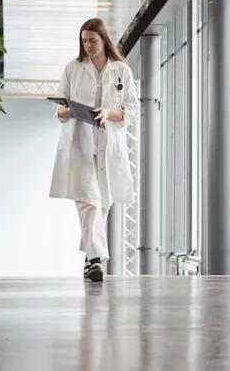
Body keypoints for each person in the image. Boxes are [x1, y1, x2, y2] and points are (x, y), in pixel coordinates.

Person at [50, 18, 139, 282]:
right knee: (88, 202)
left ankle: (90, 260)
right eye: (84, 41)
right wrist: (64, 111)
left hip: (108, 143)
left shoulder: (122, 71)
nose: (87, 46)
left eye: (92, 41)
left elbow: (132, 107)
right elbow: (58, 105)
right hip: (81, 142)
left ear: (104, 39)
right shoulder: (73, 68)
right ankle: (98, 259)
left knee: (102, 204)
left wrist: (110, 113)